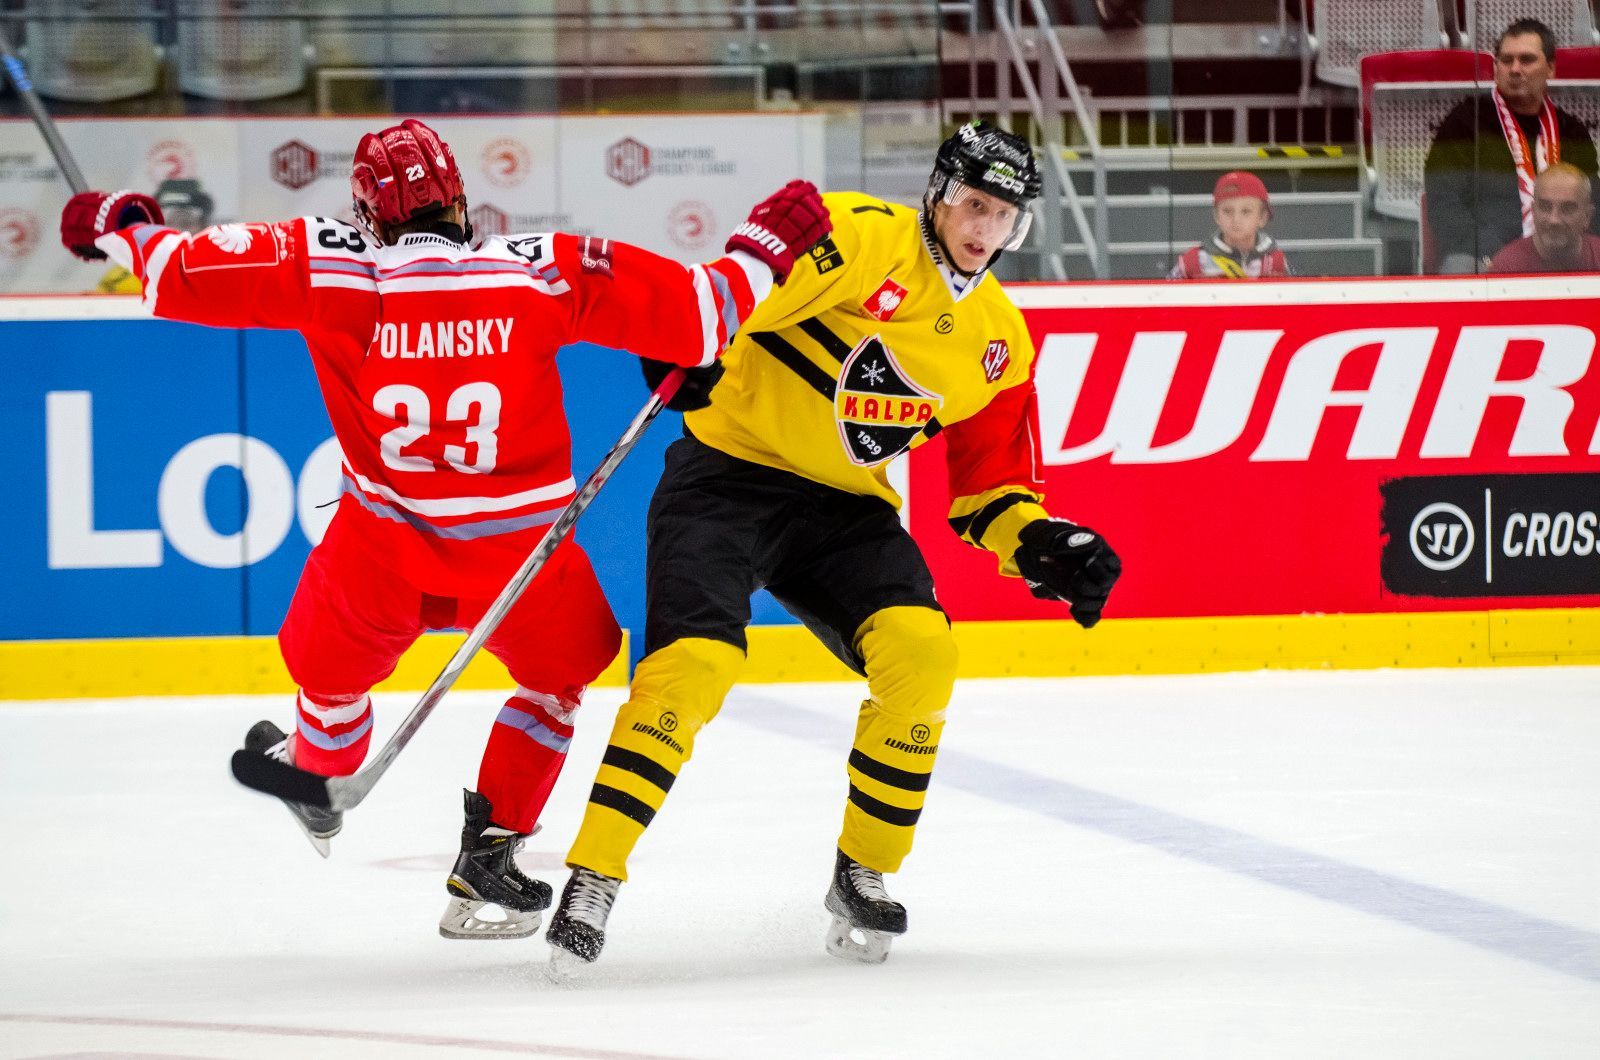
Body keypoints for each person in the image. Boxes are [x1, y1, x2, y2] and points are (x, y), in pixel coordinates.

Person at [59, 119, 829, 941]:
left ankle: (318, 775)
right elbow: (708, 316)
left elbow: (174, 274)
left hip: (381, 553)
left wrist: (120, 223)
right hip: (521, 561)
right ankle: (492, 850)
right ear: (462, 201)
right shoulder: (541, 270)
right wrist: (761, 249)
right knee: (557, 684)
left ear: (367, 218)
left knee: (330, 683)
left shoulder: (323, 262)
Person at [544, 121, 1123, 969]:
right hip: (726, 477)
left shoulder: (999, 340)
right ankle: (593, 877)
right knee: (692, 667)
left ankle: (864, 873)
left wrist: (1038, 542)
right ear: (937, 194)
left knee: (924, 656)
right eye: (971, 204)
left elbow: (988, 489)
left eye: (1003, 216)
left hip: (843, 511)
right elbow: (730, 293)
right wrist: (683, 344)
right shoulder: (860, 237)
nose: (983, 230)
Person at [1424, 18, 1599, 274]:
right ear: (1495, 69)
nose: (1515, 69)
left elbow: (1592, 203)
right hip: (1486, 256)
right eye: (1506, 61)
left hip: (1562, 250)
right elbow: (1444, 206)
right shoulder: (1463, 124)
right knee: (1459, 267)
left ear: (1550, 68)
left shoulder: (1571, 130)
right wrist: (1498, 255)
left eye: (1526, 60)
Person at [95, 177, 214, 294]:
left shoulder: (220, 276)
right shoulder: (117, 283)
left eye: (187, 222)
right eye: (169, 221)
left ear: (204, 226)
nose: (178, 230)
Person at [1168, 171, 1291, 280]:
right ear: (1216, 216)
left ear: (1262, 217)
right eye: (1227, 211)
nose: (1236, 219)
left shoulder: (1277, 263)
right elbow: (1162, 298)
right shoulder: (1192, 262)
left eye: (1246, 211)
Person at [1488, 162, 1600, 272]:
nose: (1554, 220)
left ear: (1587, 215)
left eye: (1567, 208)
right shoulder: (1506, 267)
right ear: (1533, 210)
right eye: (1545, 207)